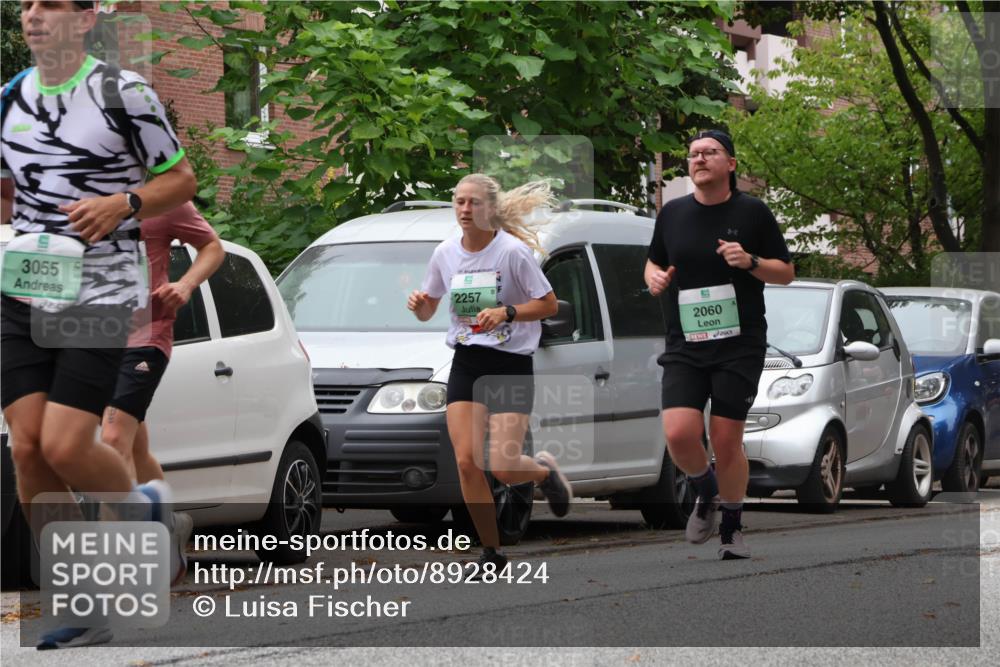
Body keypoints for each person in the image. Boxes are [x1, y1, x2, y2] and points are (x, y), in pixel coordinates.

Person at [0, 0, 196, 649]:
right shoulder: (8, 99)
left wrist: (125, 201)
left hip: (101, 287)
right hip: (23, 287)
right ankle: (83, 599)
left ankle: (146, 516)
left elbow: (181, 178)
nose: (33, 15)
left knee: (63, 444)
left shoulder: (122, 92)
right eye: (27, 4)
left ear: (85, 19)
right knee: (26, 448)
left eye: (50, 5)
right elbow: (7, 191)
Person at [407, 174, 572, 577]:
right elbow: (430, 307)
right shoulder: (445, 254)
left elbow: (549, 305)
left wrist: (508, 312)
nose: (465, 210)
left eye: (474, 203)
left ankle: (544, 472)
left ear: (490, 209)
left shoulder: (512, 253)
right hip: (467, 361)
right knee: (466, 462)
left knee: (502, 465)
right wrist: (418, 305)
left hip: (510, 363)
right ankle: (492, 552)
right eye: (459, 202)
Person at [644, 130, 794, 560]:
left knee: (725, 439)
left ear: (730, 163)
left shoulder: (753, 212)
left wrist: (750, 261)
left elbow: (785, 272)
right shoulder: (671, 213)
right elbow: (654, 260)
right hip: (685, 343)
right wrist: (652, 278)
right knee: (678, 433)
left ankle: (731, 528)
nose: (700, 159)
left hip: (739, 343)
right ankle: (704, 490)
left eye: (710, 152)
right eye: (693, 153)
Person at [100, 201, 223, 578]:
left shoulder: (164, 200)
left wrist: (185, 284)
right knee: (134, 444)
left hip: (146, 337)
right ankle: (168, 528)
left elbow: (212, 247)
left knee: (112, 439)